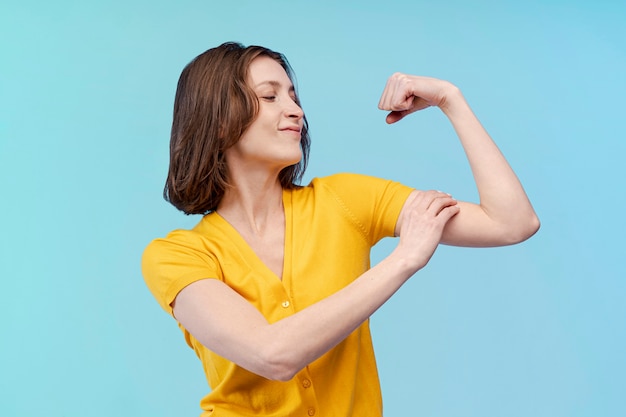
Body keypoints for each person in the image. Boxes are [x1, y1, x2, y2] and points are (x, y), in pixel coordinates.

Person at [142, 41, 539, 417]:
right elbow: (272, 354)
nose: (296, 110)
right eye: (270, 96)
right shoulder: (176, 256)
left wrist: (451, 100)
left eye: (294, 96)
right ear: (219, 117)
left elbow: (511, 222)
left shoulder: (345, 200)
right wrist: (403, 261)